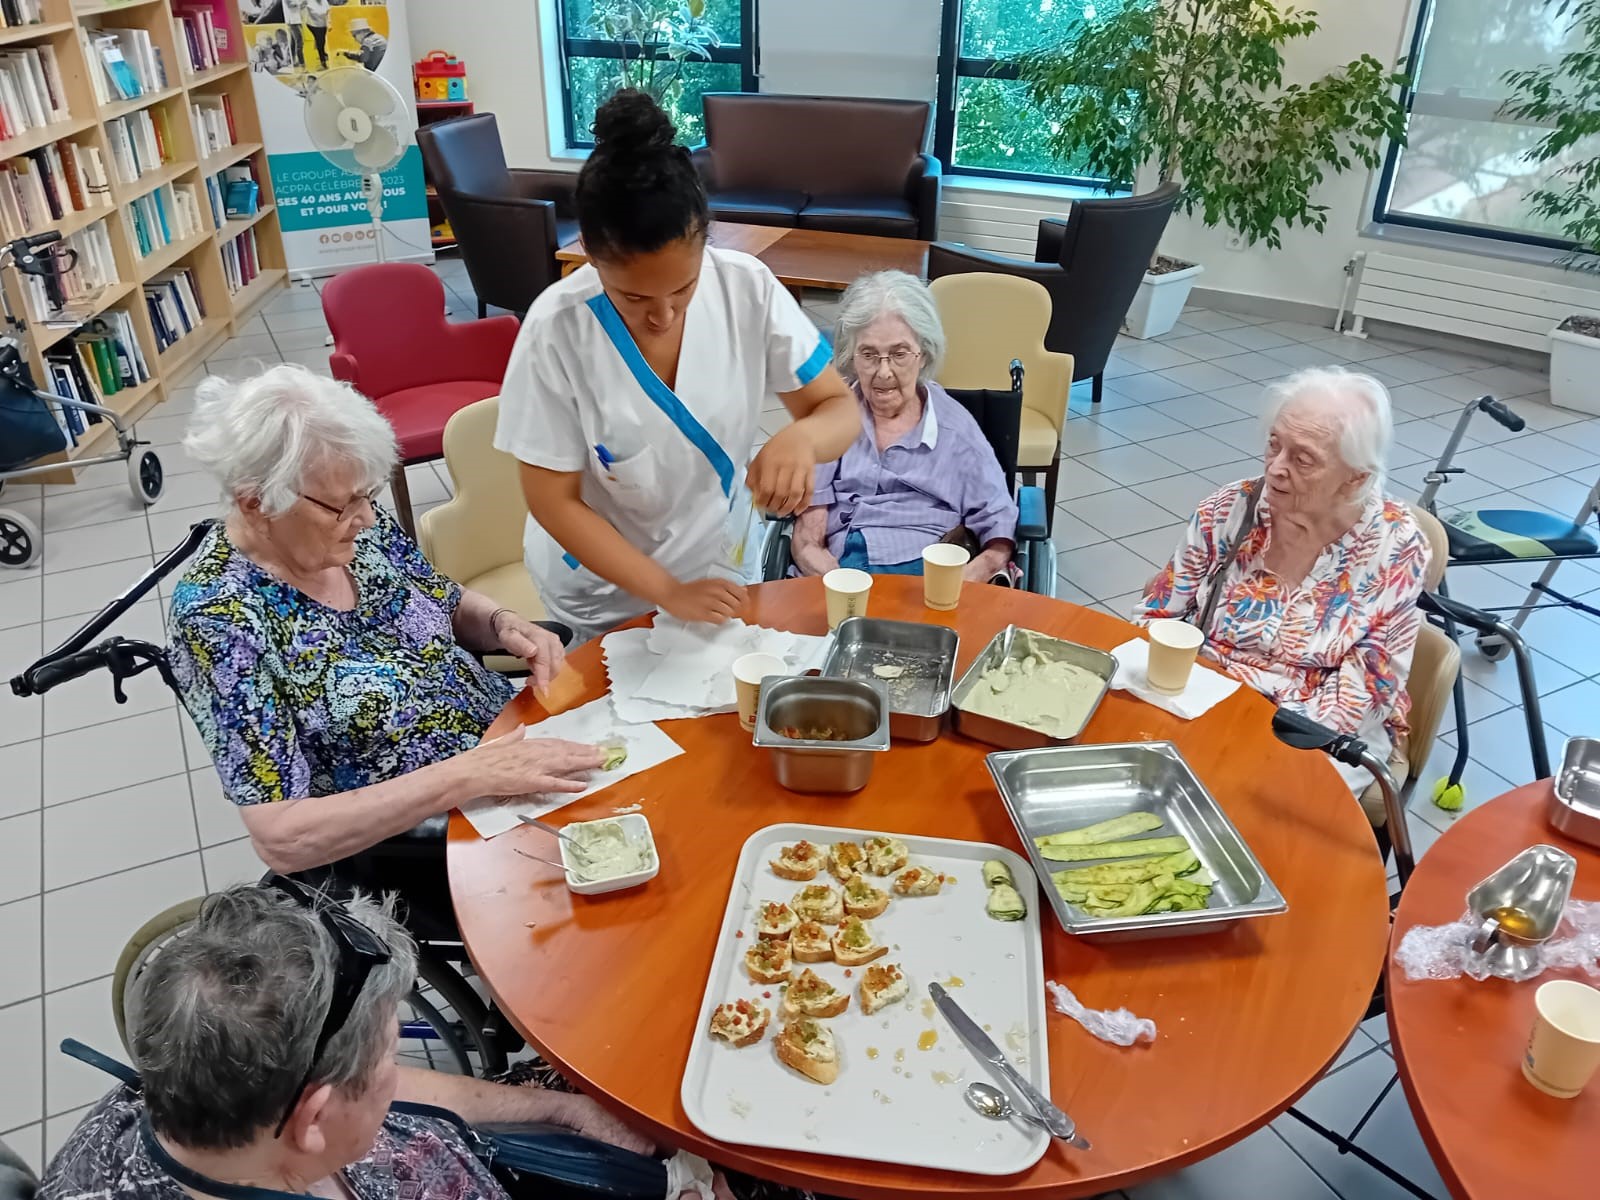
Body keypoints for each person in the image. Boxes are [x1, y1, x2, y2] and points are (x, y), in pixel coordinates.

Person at [166, 364, 603, 885]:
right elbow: (282, 836)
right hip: (425, 830)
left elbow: (442, 599)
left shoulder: (353, 529)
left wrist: (501, 621)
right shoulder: (220, 619)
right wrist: (465, 777)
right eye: (343, 505)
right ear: (257, 503)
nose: (368, 518)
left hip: (504, 739)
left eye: (367, 495)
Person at [39, 882, 731, 1200]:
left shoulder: (201, 1089)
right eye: (386, 1061)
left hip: (494, 1160)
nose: (398, 1075)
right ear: (312, 1118)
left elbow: (403, 1101)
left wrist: (556, 1109)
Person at [495, 89, 859, 644]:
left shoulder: (746, 286)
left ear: (704, 244)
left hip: (717, 562)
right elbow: (554, 499)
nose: (663, 315)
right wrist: (666, 590)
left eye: (683, 288)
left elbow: (838, 408)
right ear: (590, 255)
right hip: (605, 590)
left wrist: (802, 440)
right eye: (634, 299)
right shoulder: (556, 331)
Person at [1133, 367, 1431, 795]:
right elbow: (1157, 614)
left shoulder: (1396, 547)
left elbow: (1368, 689)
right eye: (1274, 445)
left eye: (1302, 459)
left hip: (1313, 731)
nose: (1275, 469)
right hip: (1199, 690)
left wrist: (1249, 737)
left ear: (1357, 477)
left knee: (1250, 810)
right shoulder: (1231, 508)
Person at [789, 271, 1019, 583]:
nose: (884, 373)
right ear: (850, 356)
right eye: (869, 355)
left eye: (899, 354)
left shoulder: (955, 429)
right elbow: (809, 530)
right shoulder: (831, 418)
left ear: (923, 354)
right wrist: (836, 579)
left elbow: (997, 523)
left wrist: (967, 579)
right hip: (844, 565)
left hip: (927, 566)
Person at [304, 0, 331, 71]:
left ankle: (323, 52)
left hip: (323, 24)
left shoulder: (324, 1)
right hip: (313, 25)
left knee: (322, 40)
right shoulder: (308, 2)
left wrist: (328, 24)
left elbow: (328, 12)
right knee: (320, 42)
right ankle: (323, 62)